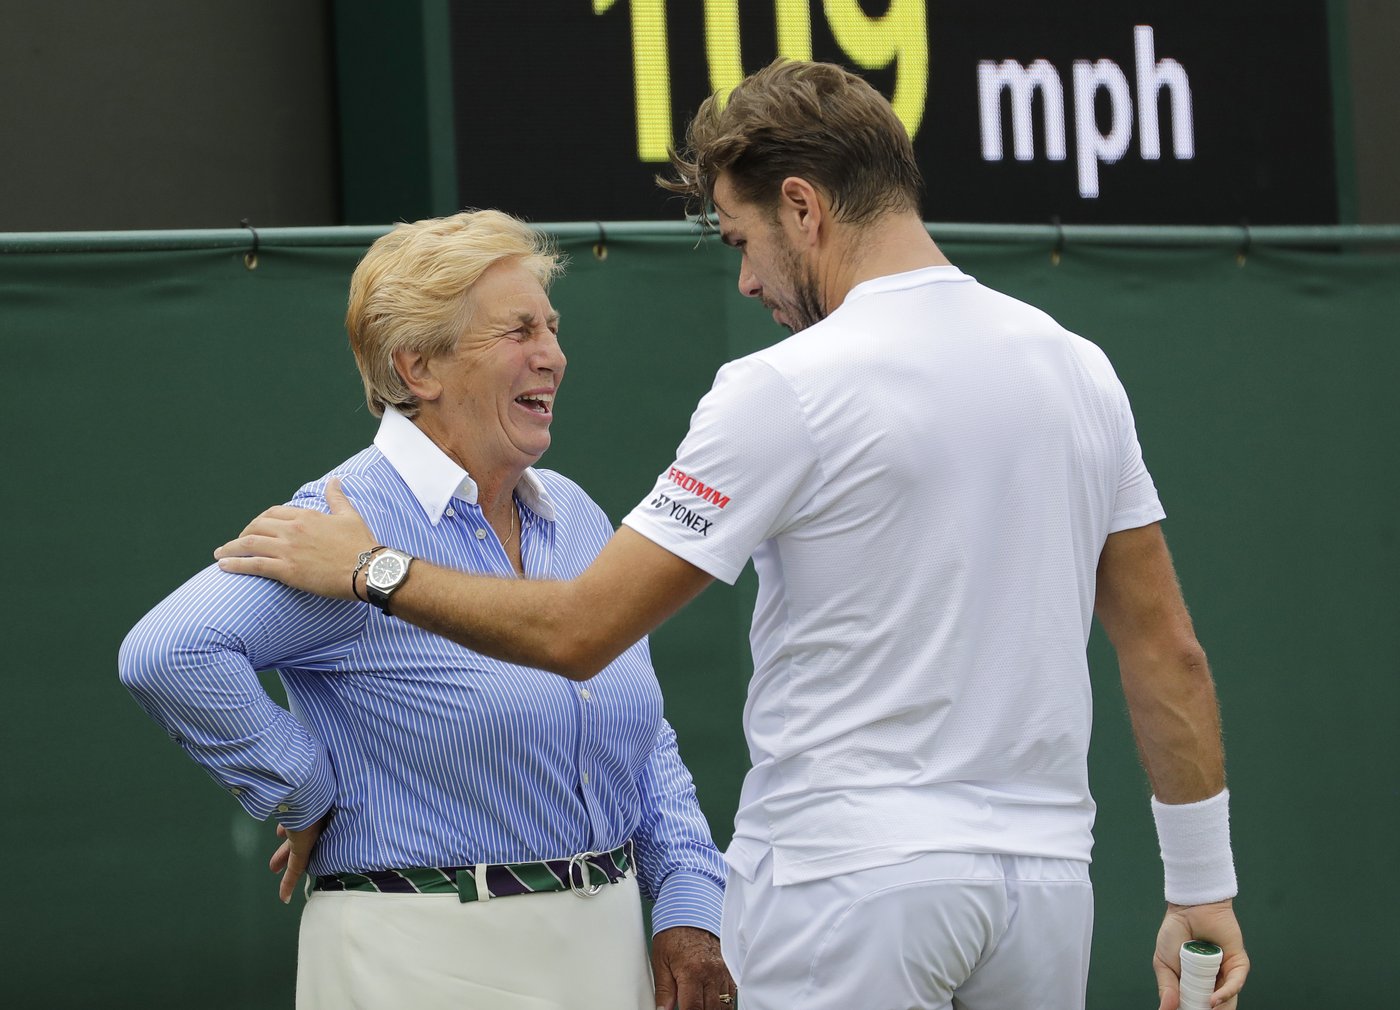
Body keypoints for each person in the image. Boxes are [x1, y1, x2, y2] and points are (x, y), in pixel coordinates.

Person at [214, 61, 1250, 1010]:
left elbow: (579, 630)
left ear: (801, 207)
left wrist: (369, 567)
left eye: (740, 240)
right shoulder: (1077, 368)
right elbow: (1169, 650)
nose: (747, 282)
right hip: (1044, 897)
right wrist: (1201, 886)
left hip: (844, 889)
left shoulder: (783, 387)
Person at [120, 209, 735, 1010]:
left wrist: (687, 903)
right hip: (417, 962)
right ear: (418, 368)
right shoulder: (340, 521)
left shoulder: (576, 514)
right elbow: (169, 652)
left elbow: (643, 732)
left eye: (551, 328)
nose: (553, 355)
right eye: (519, 331)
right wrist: (306, 791)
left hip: (608, 954)